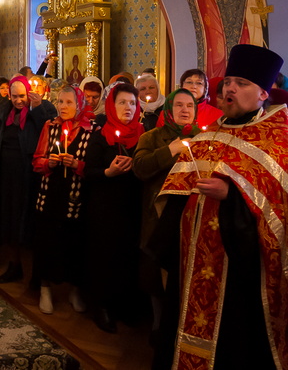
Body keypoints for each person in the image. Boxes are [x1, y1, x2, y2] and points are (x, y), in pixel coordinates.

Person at [156, 44, 286, 369]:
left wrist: (232, 198)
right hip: (191, 262)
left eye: (241, 83)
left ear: (262, 94)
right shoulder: (209, 133)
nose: (229, 89)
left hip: (238, 275)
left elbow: (279, 210)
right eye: (228, 81)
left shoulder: (277, 140)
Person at [131, 88, 197, 353]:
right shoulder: (152, 136)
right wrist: (169, 150)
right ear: (168, 109)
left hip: (192, 215)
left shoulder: (204, 137)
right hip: (159, 215)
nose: (184, 110)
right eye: (178, 105)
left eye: (189, 106)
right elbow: (140, 167)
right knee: (157, 275)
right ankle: (159, 324)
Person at [83, 82, 144, 333]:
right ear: (111, 105)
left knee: (128, 255)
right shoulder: (101, 135)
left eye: (132, 103)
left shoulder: (144, 133)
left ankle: (124, 305)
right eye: (122, 102)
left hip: (132, 205)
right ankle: (102, 306)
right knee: (105, 256)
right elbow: (88, 172)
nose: (127, 107)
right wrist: (109, 172)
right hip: (105, 207)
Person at [0, 76, 56, 284]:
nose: (18, 101)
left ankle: (36, 272)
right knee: (9, 220)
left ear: (29, 93)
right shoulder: (3, 112)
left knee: (30, 222)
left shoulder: (42, 107)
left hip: (29, 175)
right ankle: (14, 264)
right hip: (6, 174)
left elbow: (49, 127)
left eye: (22, 96)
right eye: (14, 96)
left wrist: (36, 108)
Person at [31, 86, 94, 315]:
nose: (63, 106)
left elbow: (95, 166)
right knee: (48, 240)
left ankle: (74, 290)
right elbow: (37, 160)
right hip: (51, 193)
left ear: (79, 104)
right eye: (60, 102)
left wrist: (77, 165)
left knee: (75, 242)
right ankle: (45, 288)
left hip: (76, 194)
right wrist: (50, 162)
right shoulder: (51, 126)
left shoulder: (91, 128)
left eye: (68, 102)